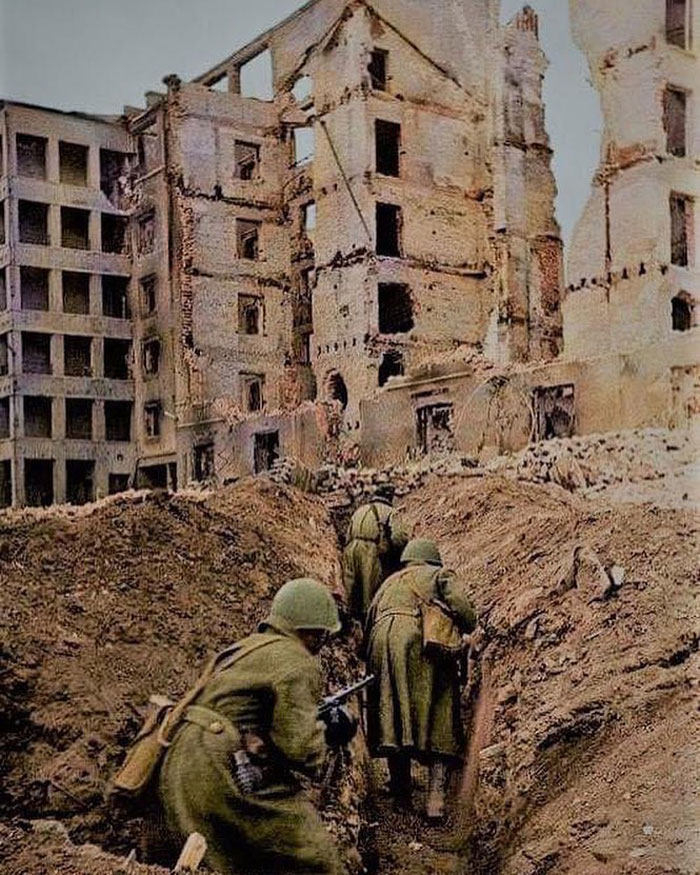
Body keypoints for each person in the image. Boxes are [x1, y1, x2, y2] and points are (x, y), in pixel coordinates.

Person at [157, 578, 344, 875]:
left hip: (180, 761)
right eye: (322, 635)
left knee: (218, 862)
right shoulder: (296, 660)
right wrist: (329, 734)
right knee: (316, 854)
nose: (322, 643)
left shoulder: (245, 648)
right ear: (311, 632)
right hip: (218, 765)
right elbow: (301, 749)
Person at [364, 538, 477, 820]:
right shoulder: (439, 575)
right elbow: (465, 612)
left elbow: (367, 622)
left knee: (391, 711)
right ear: (433, 560)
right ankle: (435, 801)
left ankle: (401, 790)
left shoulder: (387, 583)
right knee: (441, 706)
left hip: (380, 641)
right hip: (419, 639)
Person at [341, 485, 409, 624]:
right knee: (370, 595)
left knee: (350, 591)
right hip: (369, 551)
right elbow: (399, 538)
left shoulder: (359, 510)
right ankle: (369, 628)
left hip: (349, 549)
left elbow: (347, 534)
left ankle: (347, 626)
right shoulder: (390, 512)